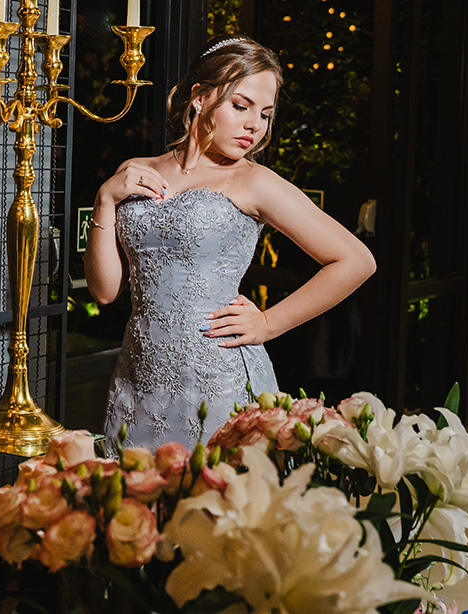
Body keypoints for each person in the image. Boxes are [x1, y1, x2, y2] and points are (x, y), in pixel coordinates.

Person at [83, 35, 376, 448]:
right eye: (241, 106)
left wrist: (269, 323)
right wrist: (105, 198)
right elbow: (104, 290)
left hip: (218, 380)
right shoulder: (135, 170)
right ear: (199, 97)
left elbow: (356, 260)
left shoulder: (253, 181)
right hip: (138, 378)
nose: (255, 125)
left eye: (266, 114)